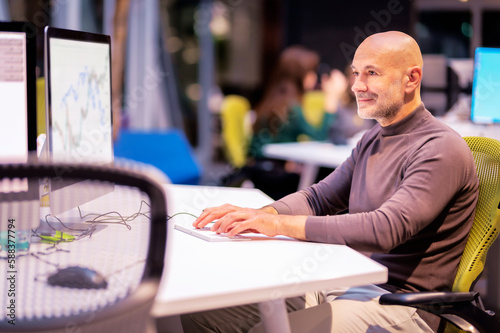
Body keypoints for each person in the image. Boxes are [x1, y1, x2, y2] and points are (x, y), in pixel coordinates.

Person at [182, 31, 479, 332]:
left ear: (411, 79)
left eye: (371, 73)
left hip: (399, 304)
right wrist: (264, 215)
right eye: (355, 73)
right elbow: (318, 199)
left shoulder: (441, 148)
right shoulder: (373, 138)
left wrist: (278, 226)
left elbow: (385, 229)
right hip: (345, 280)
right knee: (198, 311)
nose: (356, 86)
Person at [241, 45, 347, 200]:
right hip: (275, 180)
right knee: (329, 176)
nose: (314, 77)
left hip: (260, 174)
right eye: (311, 72)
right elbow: (319, 137)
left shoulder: (273, 100)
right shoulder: (292, 108)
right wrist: (331, 100)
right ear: (301, 75)